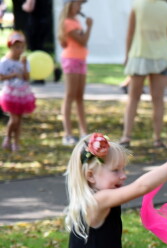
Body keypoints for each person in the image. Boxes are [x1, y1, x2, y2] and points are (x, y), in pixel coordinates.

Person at [120, 0, 167, 149]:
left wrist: (127, 55)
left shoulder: (137, 5)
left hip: (139, 55)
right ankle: (157, 138)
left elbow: (130, 33)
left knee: (133, 98)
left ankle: (126, 136)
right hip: (161, 57)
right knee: (158, 100)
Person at [58, 0, 92, 146]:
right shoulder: (67, 22)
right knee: (70, 95)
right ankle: (68, 134)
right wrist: (90, 27)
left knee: (79, 97)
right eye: (78, 4)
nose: (80, 7)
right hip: (71, 60)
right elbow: (83, 41)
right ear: (70, 5)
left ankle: (84, 132)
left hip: (80, 59)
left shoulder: (76, 21)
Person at [0, 31, 36, 152]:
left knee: (19, 120)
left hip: (23, 93)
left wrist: (24, 66)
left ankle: (16, 142)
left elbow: (27, 77)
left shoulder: (24, 61)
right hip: (10, 93)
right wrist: (13, 75)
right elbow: (1, 77)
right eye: (16, 47)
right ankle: (8, 138)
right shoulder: (4, 62)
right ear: (10, 46)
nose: (19, 50)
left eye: (21, 47)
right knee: (14, 119)